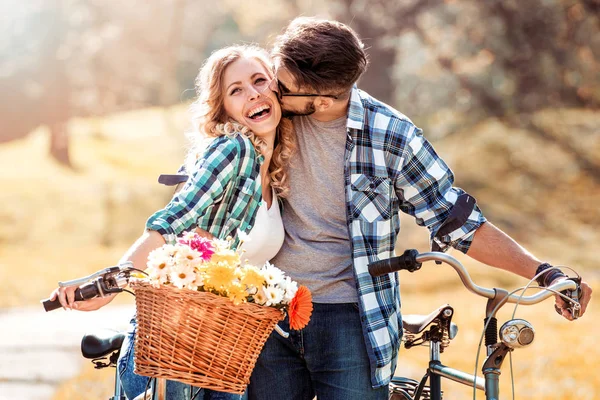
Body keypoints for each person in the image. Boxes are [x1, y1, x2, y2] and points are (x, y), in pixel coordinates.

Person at [247, 17, 593, 400]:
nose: (270, 92)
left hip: (349, 318)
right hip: (266, 308)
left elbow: (458, 221)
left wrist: (544, 273)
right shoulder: (264, 118)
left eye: (283, 88)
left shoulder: (391, 135)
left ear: (322, 100)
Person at [48, 44, 295, 400]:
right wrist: (109, 285)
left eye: (259, 81)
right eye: (236, 90)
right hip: (174, 336)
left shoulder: (275, 171)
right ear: (223, 107)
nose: (252, 94)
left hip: (224, 347)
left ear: (276, 88)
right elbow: (174, 221)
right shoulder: (233, 149)